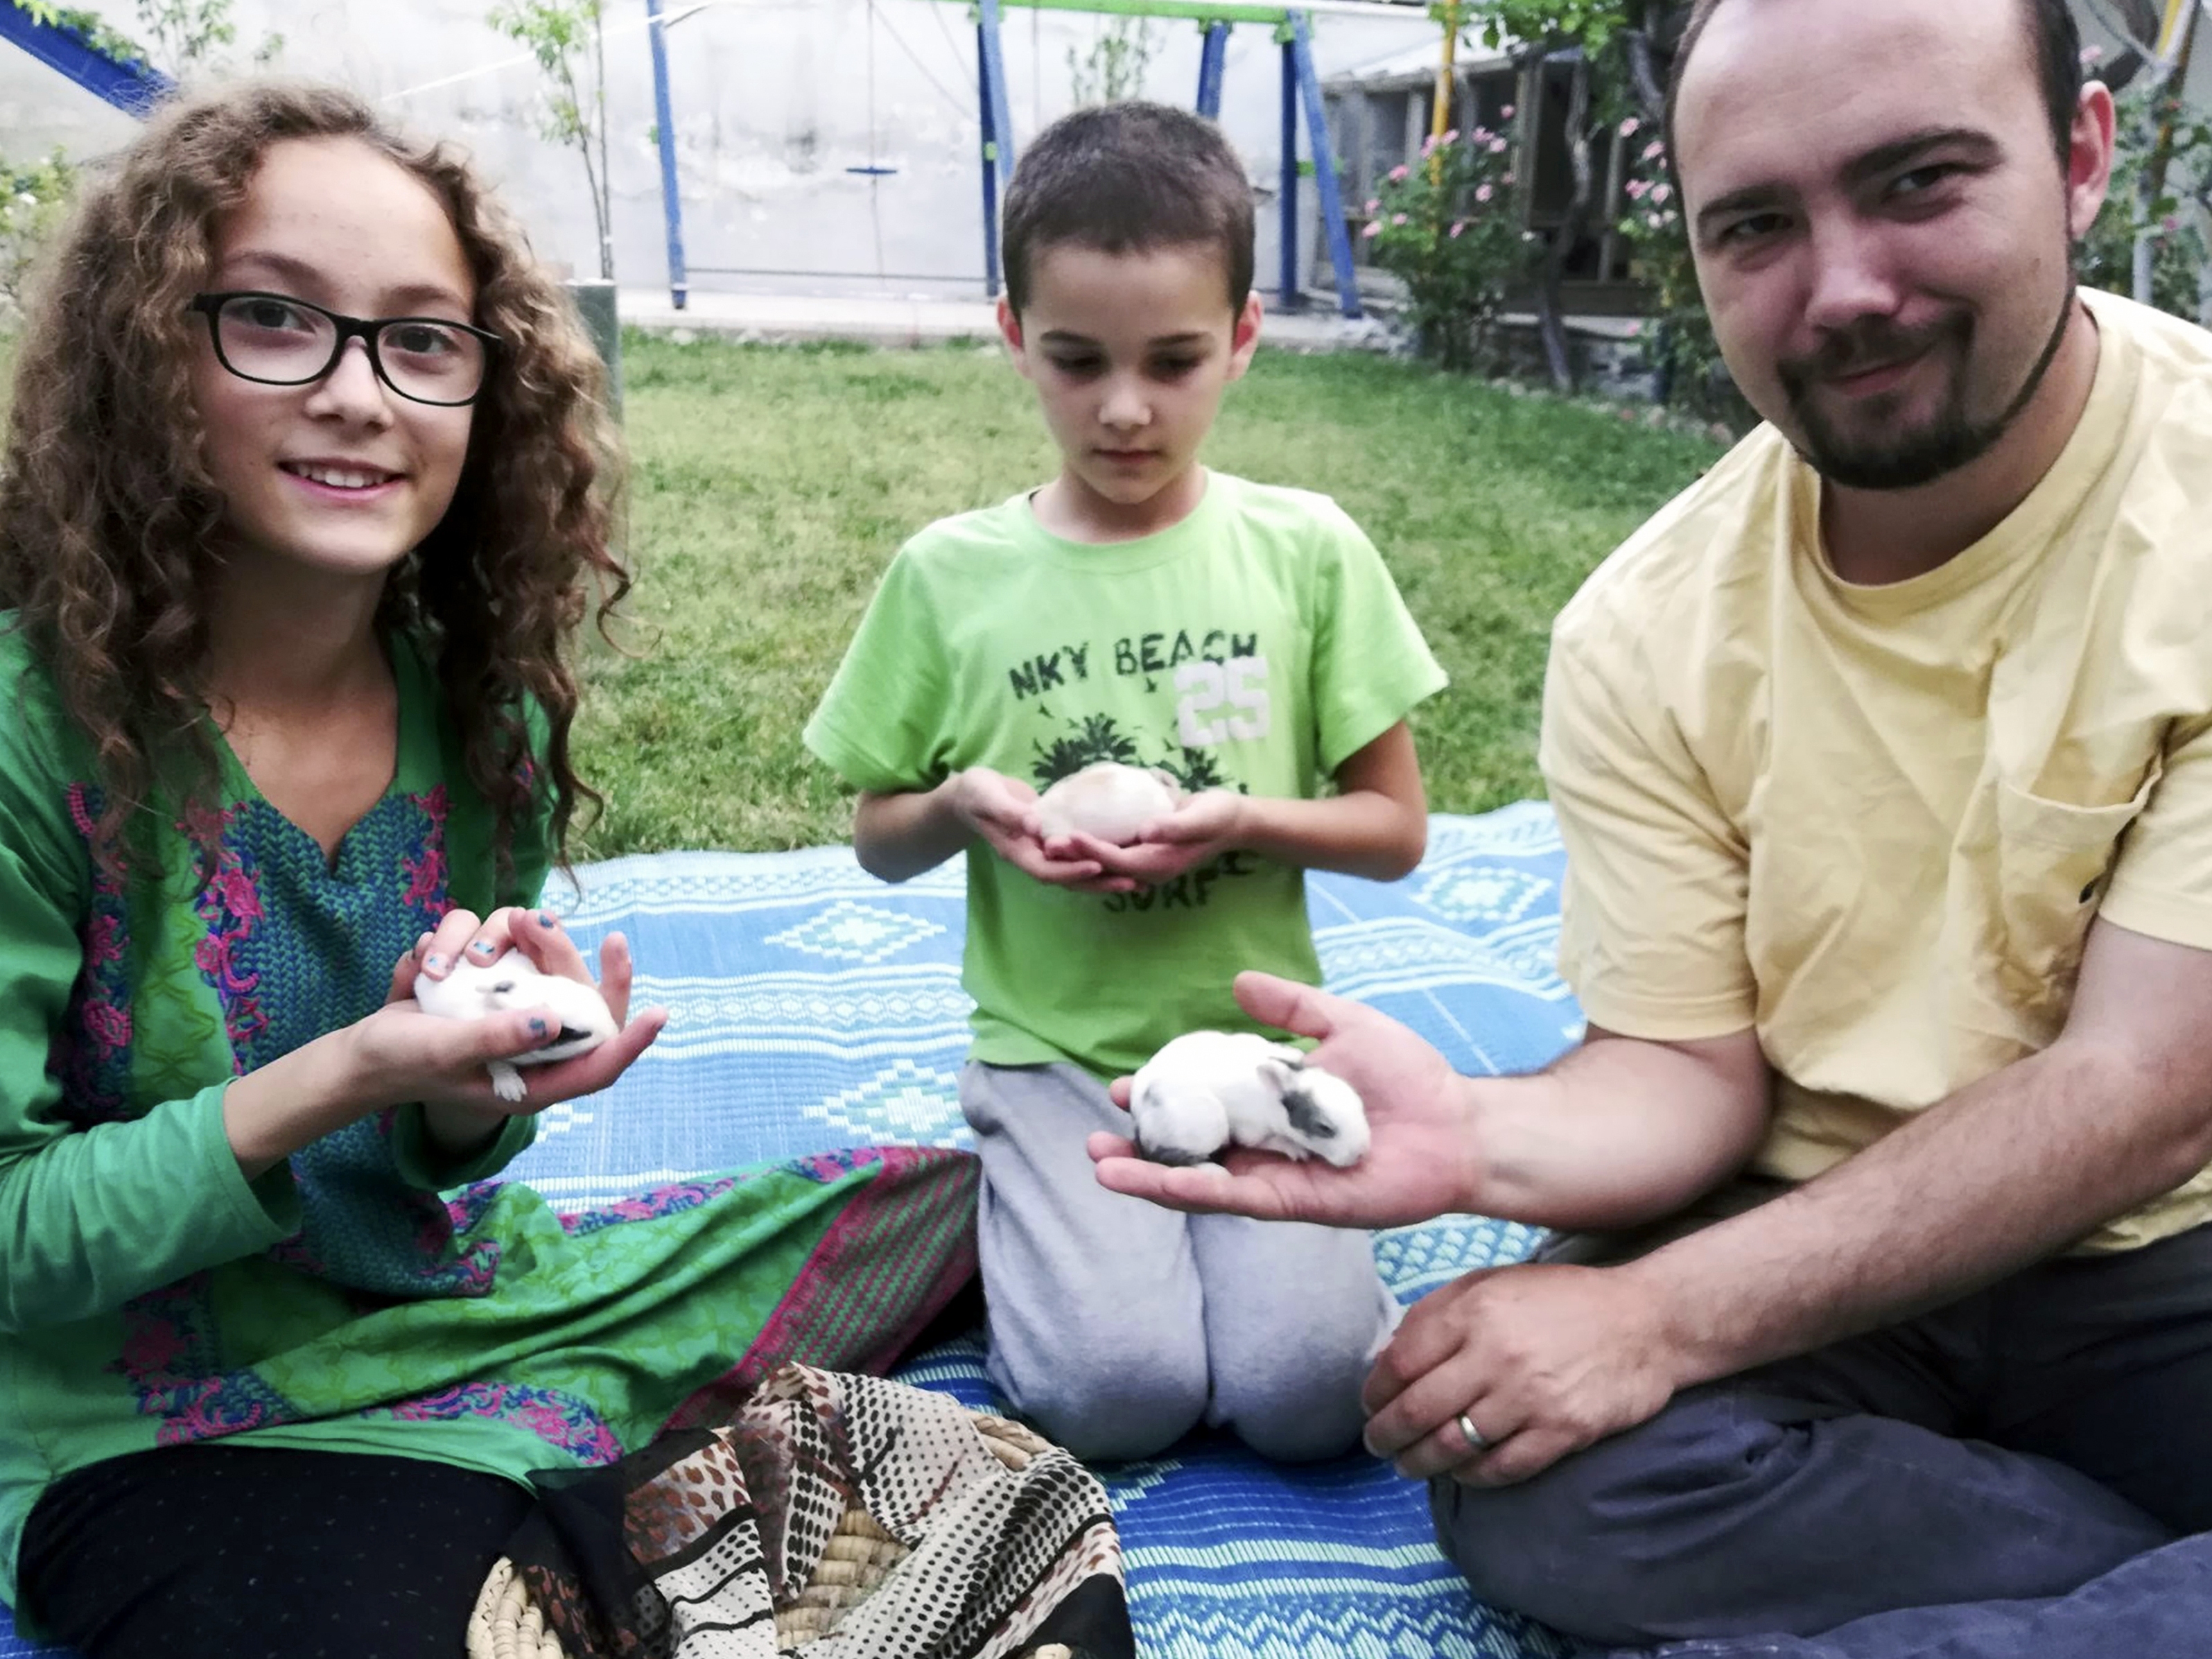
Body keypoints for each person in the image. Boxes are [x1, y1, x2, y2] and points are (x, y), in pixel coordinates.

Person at [1092, 0, 2212, 1653]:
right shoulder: (1646, 627)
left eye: (1920, 181)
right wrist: (1468, 1139)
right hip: (1817, 1225)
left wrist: (1659, 1316)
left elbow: (2144, 1092)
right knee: (1526, 1465)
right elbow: (1692, 1070)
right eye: (1756, 225)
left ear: (2079, 157)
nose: (1844, 289)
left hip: (2171, 1260)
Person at [0, 82, 975, 1659]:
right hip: (145, 1412)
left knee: (979, 1213)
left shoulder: (480, 710)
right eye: (274, 319)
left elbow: (432, 1168)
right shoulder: (28, 734)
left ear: (486, 391)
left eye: (421, 340)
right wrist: (350, 1067)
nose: (357, 394)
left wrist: (468, 1096)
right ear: (147, 354)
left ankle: (566, 1527)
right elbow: (10, 1240)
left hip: (452, 1303)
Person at [805, 103, 1447, 1464]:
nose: (1125, 407)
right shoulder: (949, 578)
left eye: (1175, 359)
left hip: (1252, 1045)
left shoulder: (1308, 554)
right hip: (1054, 1056)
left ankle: (1166, 1252)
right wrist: (960, 805)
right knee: (1113, 1396)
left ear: (1246, 335)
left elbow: (1394, 831)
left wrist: (1242, 819)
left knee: (1313, 1399)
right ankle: (1016, 1193)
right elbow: (878, 839)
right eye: (1077, 358)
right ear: (1012, 332)